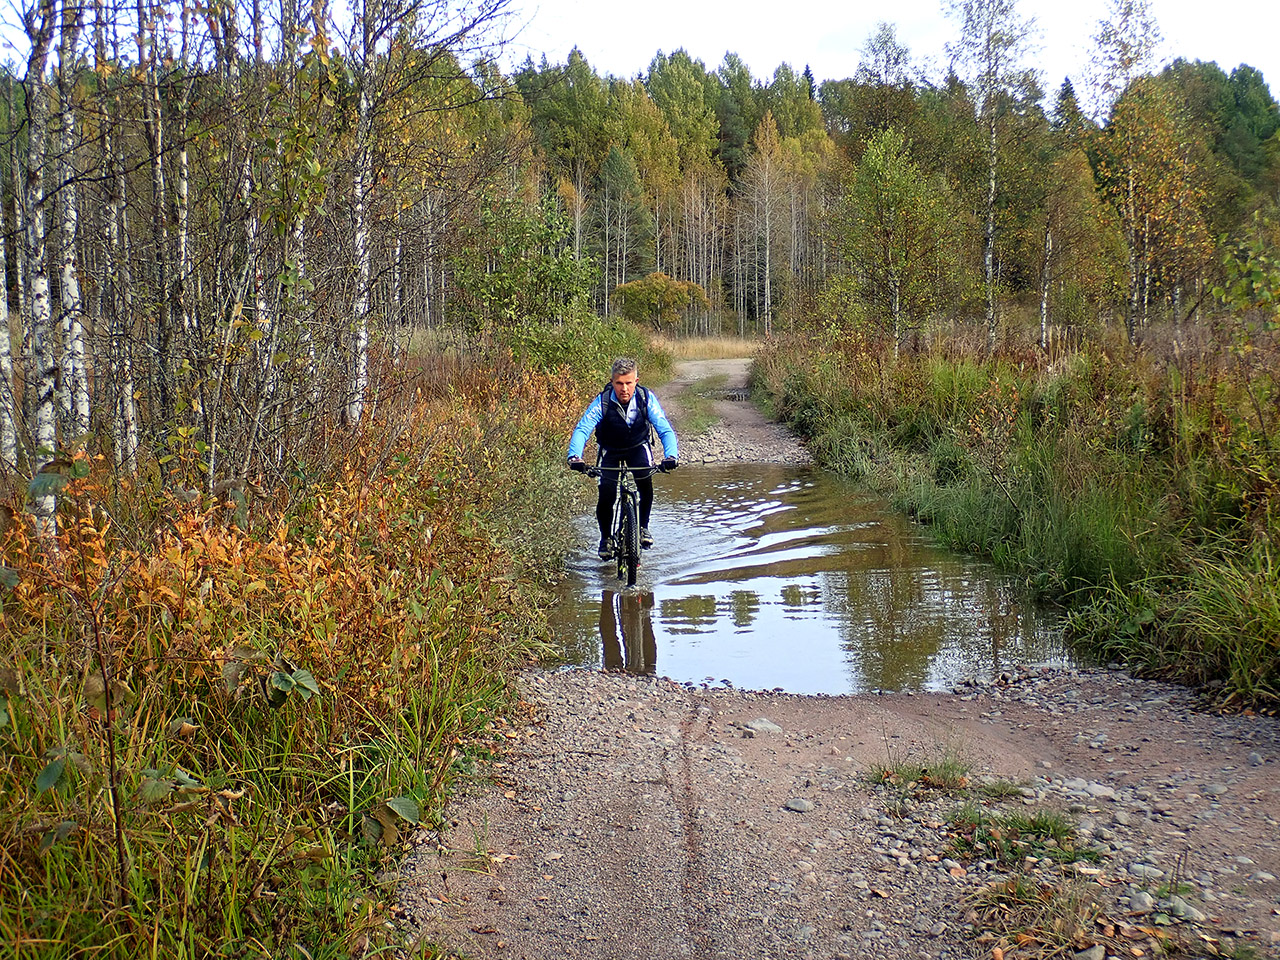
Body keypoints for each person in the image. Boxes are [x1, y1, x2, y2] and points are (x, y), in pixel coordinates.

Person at [567, 357, 678, 558]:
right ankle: (606, 539)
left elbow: (664, 429)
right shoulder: (603, 401)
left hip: (637, 447)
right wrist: (575, 456)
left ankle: (643, 528)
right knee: (606, 493)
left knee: (645, 484)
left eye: (628, 383)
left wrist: (671, 455)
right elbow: (583, 429)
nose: (624, 389)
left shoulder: (645, 398)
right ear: (612, 382)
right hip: (610, 450)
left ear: (636, 381)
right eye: (619, 383)